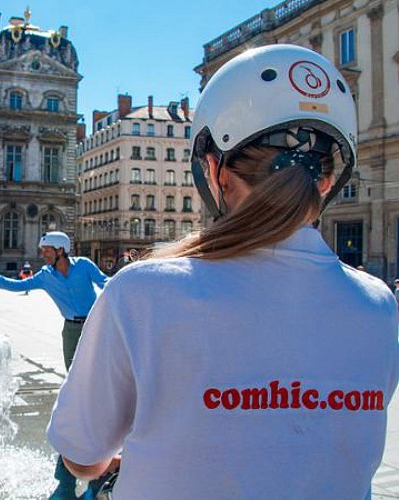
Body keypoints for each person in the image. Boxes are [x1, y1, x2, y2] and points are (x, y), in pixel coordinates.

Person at [47, 45, 399, 499]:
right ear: (330, 180)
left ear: (216, 170)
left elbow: (82, 457)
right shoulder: (377, 305)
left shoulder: (143, 291)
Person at [0, 231, 108, 498]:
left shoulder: (83, 265)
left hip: (97, 326)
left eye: (47, 249)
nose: (43, 254)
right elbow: (18, 286)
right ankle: (74, 453)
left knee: (99, 381)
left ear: (61, 249)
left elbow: (105, 281)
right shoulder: (45, 275)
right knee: (75, 384)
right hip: (71, 331)